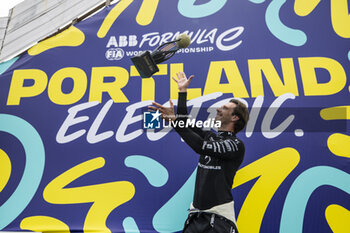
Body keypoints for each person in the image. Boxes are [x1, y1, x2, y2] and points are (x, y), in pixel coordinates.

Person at [149, 72, 249, 233]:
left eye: (225, 108)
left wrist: (175, 121)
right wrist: (182, 92)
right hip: (196, 217)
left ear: (235, 118)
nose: (218, 108)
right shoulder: (211, 136)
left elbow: (199, 146)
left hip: (219, 220)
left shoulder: (236, 145)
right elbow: (184, 123)